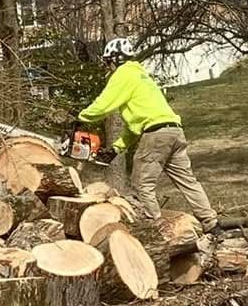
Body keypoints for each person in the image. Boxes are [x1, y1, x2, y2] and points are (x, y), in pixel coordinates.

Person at [77, 38, 218, 231]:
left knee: (142, 183)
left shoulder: (123, 73)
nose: (107, 66)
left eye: (108, 61)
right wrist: (117, 148)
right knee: (187, 180)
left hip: (157, 135)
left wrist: (80, 117)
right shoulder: (141, 76)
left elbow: (103, 105)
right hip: (174, 131)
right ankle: (210, 221)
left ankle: (155, 228)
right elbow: (137, 125)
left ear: (116, 59)